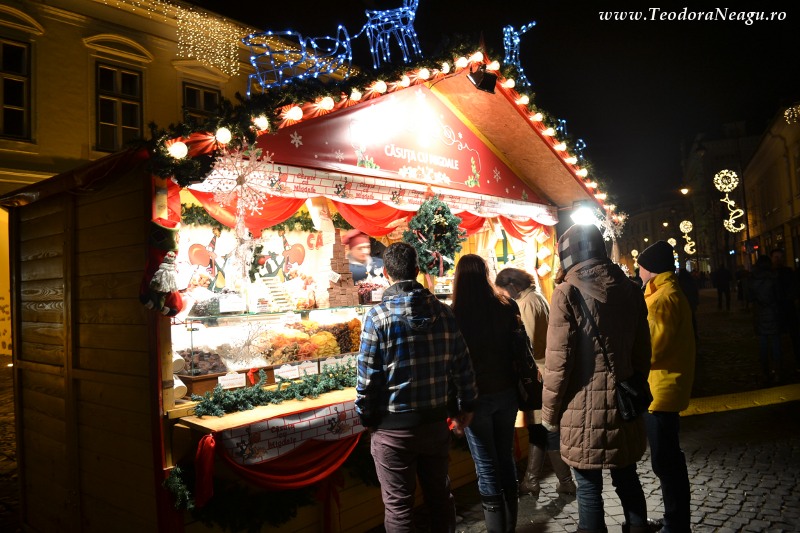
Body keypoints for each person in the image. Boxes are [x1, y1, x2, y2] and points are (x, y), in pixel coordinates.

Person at [540, 224, 659, 533]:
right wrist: (631, 382)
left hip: (581, 408)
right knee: (627, 477)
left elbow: (557, 363)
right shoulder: (631, 288)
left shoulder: (566, 292)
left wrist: (550, 414)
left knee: (589, 487)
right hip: (623, 402)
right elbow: (643, 349)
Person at [355, 242, 477, 532]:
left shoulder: (377, 317)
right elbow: (463, 366)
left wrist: (367, 417)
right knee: (440, 498)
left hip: (392, 430)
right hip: (435, 424)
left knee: (399, 508)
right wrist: (467, 406)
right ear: (418, 271)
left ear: (385, 273)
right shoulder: (445, 313)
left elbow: (367, 379)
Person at [450, 256, 523, 532]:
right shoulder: (506, 306)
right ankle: (510, 525)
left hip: (475, 399)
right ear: (486, 274)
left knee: (487, 466)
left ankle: (497, 528)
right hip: (506, 392)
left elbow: (452, 364)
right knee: (505, 459)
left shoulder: (455, 314)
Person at [494, 267, 576, 500]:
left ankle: (563, 482)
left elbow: (526, 344)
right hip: (543, 372)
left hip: (536, 376)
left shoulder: (527, 303)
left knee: (544, 430)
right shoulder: (536, 297)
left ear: (512, 286)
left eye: (504, 292)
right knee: (539, 430)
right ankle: (532, 481)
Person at [637, 241, 697, 533]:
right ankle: (675, 518)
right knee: (668, 460)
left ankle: (676, 523)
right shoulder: (662, 292)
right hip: (663, 387)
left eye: (640, 265)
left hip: (661, 390)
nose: (637, 271)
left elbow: (653, 348)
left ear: (650, 268)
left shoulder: (663, 298)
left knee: (666, 462)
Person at [748, 254, 783, 385]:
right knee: (776, 344)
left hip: (760, 313)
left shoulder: (753, 279)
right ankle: (778, 372)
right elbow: (779, 296)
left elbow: (750, 297)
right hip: (773, 312)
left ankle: (765, 372)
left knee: (763, 345)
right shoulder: (774, 277)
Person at [770, 248, 800, 370]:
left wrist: (791, 297)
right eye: (776, 257)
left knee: (795, 336)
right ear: (772, 258)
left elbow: (795, 287)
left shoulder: (788, 272)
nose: (778, 259)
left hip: (789, 308)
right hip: (776, 310)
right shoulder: (770, 274)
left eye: (780, 257)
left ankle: (797, 361)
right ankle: (778, 364)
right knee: (777, 338)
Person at [677, 268, 699, 341]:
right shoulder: (691, 281)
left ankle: (686, 334)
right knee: (692, 318)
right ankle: (694, 334)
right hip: (691, 301)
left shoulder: (679, 282)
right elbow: (695, 292)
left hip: (684, 302)